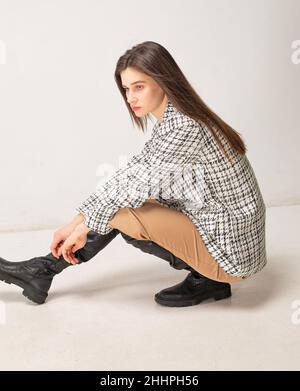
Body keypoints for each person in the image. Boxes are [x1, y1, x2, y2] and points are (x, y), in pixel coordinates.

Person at [0, 41, 267, 307]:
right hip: (218, 232)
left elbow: (132, 189)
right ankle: (41, 271)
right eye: (126, 89)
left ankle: (41, 272)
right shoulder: (174, 119)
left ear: (164, 81)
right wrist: (75, 222)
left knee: (121, 214)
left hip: (230, 254)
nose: (130, 98)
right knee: (119, 208)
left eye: (139, 87)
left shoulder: (184, 127)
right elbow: (129, 175)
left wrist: (85, 228)